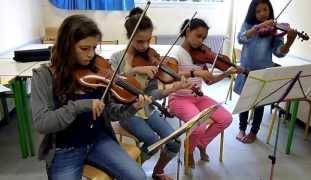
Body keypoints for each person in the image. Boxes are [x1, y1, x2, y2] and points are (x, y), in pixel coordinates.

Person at [31, 14, 149, 180]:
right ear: (66, 46)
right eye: (84, 48)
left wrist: (132, 107)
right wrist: (80, 106)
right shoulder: (44, 75)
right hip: (65, 149)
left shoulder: (96, 70)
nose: (91, 55)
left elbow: (110, 113)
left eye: (94, 48)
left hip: (98, 140)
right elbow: (42, 123)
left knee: (138, 177)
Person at [110, 7, 193, 180]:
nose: (145, 46)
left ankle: (158, 171)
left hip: (147, 109)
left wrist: (174, 87)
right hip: (127, 111)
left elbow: (153, 93)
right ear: (129, 36)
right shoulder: (117, 58)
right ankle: (129, 172)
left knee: (175, 143)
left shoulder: (151, 57)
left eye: (148, 40)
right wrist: (135, 70)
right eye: (139, 41)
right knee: (152, 140)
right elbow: (111, 84)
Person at [168, 18, 236, 168]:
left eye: (203, 38)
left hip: (198, 98)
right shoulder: (176, 52)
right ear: (187, 31)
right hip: (179, 99)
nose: (201, 41)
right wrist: (196, 72)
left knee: (226, 118)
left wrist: (227, 73)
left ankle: (200, 143)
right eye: (198, 36)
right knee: (198, 126)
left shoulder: (200, 54)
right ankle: (189, 150)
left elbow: (209, 81)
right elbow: (171, 75)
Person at [234, 0, 297, 144]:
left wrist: (289, 42)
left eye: (265, 10)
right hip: (246, 71)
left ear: (270, 11)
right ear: (253, 12)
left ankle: (253, 132)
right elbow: (241, 38)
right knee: (244, 102)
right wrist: (260, 26)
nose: (262, 13)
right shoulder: (248, 25)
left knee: (259, 105)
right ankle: (241, 129)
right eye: (258, 11)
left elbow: (279, 53)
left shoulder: (274, 30)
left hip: (263, 73)